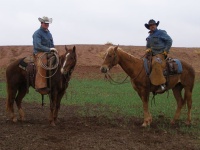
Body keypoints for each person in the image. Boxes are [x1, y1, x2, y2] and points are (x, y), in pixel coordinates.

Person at [145, 19, 172, 93]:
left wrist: (166, 50)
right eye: (150, 25)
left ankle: (162, 85)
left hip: (160, 54)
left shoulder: (161, 33)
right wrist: (147, 49)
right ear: (149, 27)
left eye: (153, 25)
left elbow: (169, 40)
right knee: (142, 63)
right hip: (151, 55)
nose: (152, 26)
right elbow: (148, 46)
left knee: (156, 63)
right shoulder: (149, 36)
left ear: (156, 25)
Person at [32, 16, 58, 95]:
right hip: (39, 53)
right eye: (45, 23)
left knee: (59, 59)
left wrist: (53, 49)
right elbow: (37, 46)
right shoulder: (37, 33)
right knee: (43, 63)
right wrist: (49, 49)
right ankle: (40, 86)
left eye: (48, 23)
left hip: (49, 52)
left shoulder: (49, 33)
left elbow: (52, 44)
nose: (47, 25)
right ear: (41, 23)